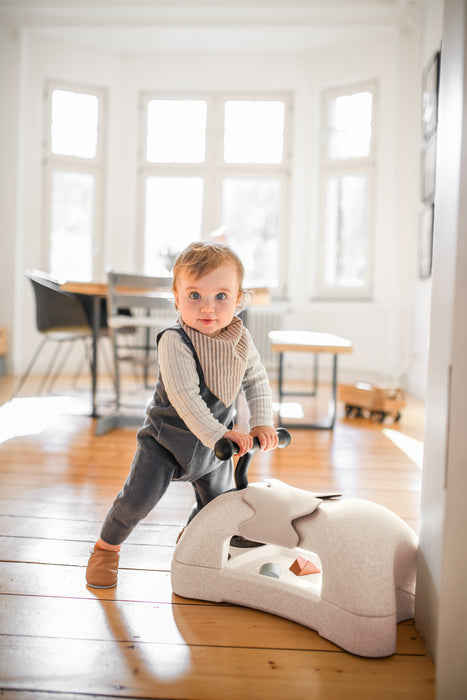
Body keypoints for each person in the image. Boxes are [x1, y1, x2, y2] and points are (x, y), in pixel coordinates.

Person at [86, 241, 278, 588]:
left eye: (221, 296)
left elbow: (256, 378)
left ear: (239, 299)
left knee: (217, 507)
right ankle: (106, 548)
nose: (208, 307)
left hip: (214, 449)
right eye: (194, 296)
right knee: (136, 500)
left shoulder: (240, 338)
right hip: (165, 442)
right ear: (175, 298)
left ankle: (193, 544)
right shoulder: (174, 341)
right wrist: (220, 434)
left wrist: (262, 421)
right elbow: (186, 398)